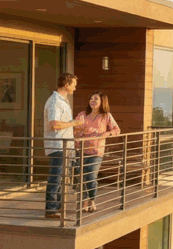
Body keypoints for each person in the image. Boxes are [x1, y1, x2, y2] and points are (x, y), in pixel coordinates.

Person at [44, 73, 84, 219]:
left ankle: (58, 207)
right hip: (58, 147)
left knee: (62, 179)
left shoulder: (63, 101)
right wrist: (74, 123)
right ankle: (51, 210)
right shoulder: (55, 101)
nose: (75, 88)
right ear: (66, 85)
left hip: (65, 147)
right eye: (74, 85)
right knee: (56, 178)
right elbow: (54, 124)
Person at [73, 92, 121, 213]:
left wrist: (107, 133)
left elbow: (117, 130)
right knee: (81, 178)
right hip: (80, 151)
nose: (92, 101)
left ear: (102, 102)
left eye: (96, 99)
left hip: (96, 152)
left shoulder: (106, 116)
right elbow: (74, 130)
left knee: (91, 177)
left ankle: (92, 199)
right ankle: (84, 201)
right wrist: (78, 132)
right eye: (91, 98)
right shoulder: (82, 115)